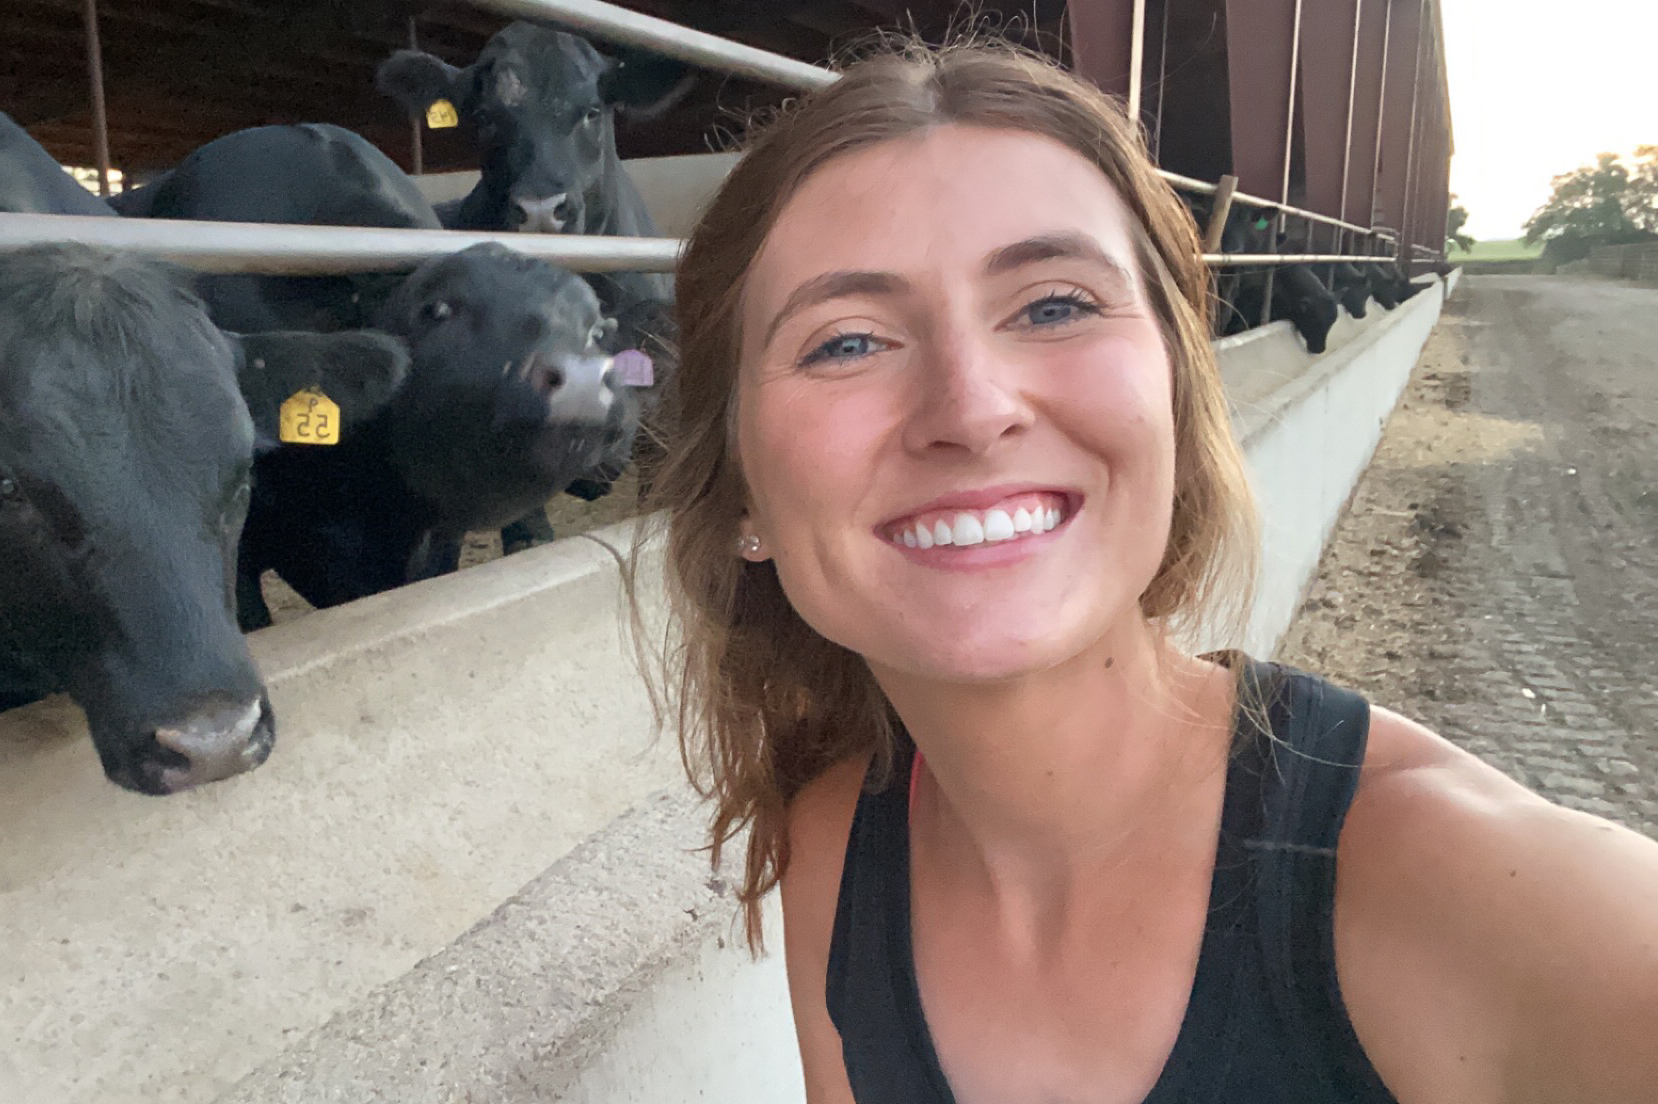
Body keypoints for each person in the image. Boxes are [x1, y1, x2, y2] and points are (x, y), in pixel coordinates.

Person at [642, 41, 1658, 1104]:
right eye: (846, 342)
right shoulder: (836, 849)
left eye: (1053, 306)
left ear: (1176, 392)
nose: (971, 408)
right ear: (743, 491)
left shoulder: (1502, 907)